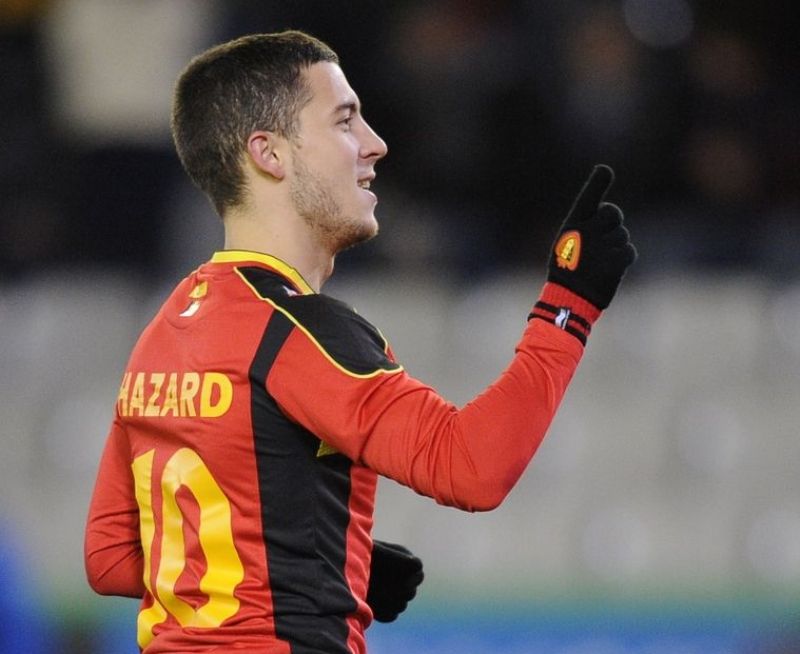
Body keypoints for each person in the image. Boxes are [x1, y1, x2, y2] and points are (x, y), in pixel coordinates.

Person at [84, 30, 636, 654]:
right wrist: (568, 305)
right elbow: (472, 468)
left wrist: (311, 551)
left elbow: (111, 556)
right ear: (269, 154)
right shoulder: (297, 330)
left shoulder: (166, 330)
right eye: (345, 121)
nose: (375, 143)